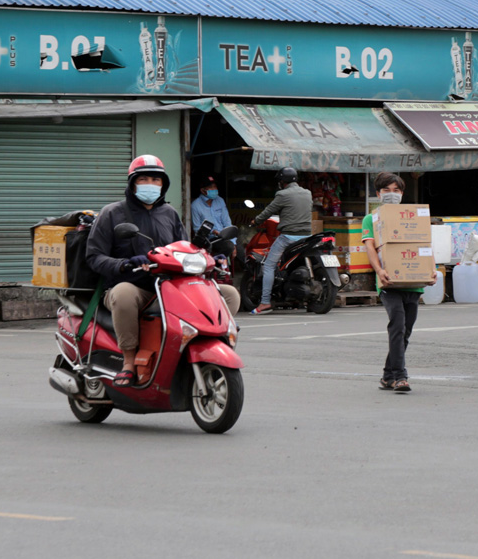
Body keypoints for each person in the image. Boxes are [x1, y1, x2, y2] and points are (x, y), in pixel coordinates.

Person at [86, 154, 242, 387]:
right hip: (135, 285)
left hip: (170, 285)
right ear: (132, 183)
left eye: (155, 180)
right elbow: (94, 256)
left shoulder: (169, 213)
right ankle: (128, 361)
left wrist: (209, 257)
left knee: (229, 295)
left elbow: (184, 248)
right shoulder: (112, 213)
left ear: (163, 184)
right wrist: (123, 264)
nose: (150, 184)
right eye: (144, 179)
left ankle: (199, 347)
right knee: (123, 295)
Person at [362, 172, 437, 393]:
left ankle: (388, 376)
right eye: (386, 190)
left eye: (396, 190)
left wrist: (431, 270)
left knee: (405, 331)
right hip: (389, 282)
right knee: (397, 326)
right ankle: (400, 377)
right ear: (378, 194)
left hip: (414, 282)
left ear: (402, 193)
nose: (391, 194)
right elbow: (370, 247)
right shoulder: (371, 219)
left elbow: (424, 244)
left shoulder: (413, 217)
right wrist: (379, 271)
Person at [251, 166, 313, 314]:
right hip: (306, 236)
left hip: (288, 237)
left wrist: (256, 221)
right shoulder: (307, 193)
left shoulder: (282, 194)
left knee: (269, 266)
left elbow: (268, 211)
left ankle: (265, 302)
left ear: (282, 181)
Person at [190, 175, 236, 260]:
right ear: (203, 190)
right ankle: (213, 263)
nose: (214, 189)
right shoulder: (195, 205)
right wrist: (212, 231)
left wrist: (233, 242)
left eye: (215, 187)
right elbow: (196, 228)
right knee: (228, 246)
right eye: (211, 187)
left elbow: (227, 222)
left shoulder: (220, 201)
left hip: (223, 237)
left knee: (239, 249)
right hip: (208, 239)